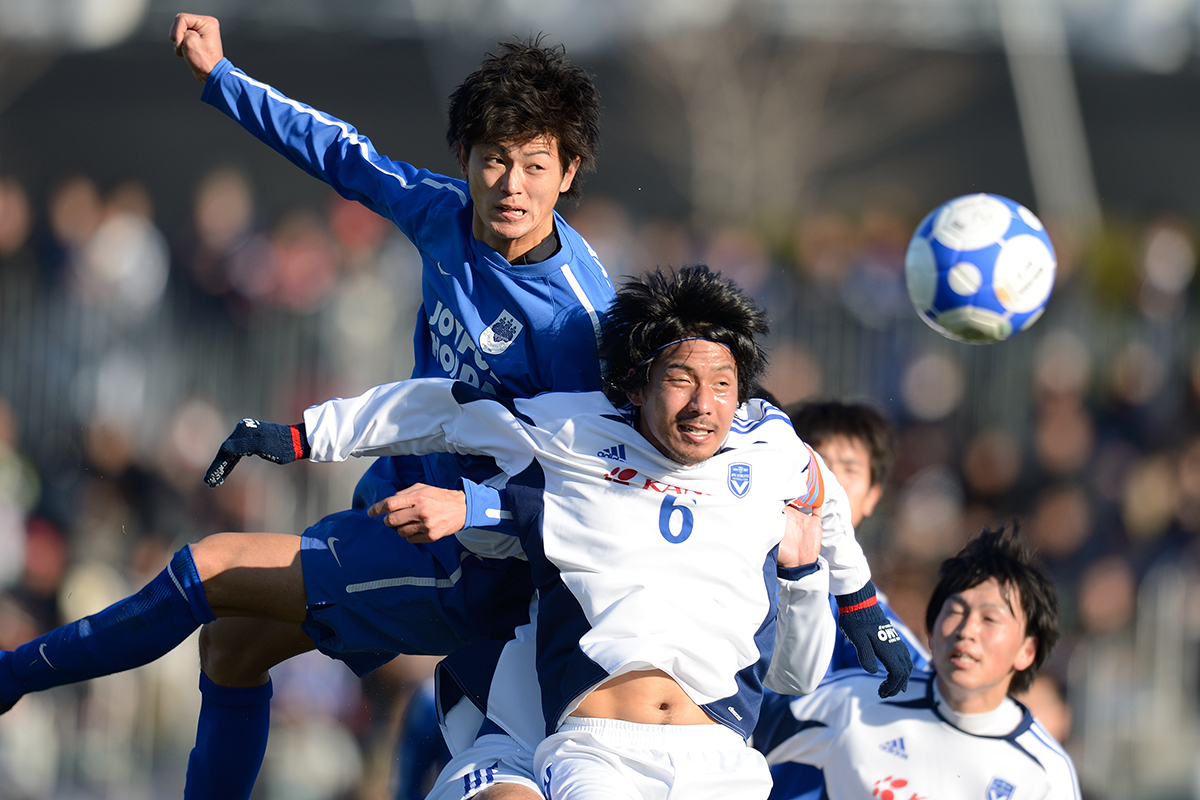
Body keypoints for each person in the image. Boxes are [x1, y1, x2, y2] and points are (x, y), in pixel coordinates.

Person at [0, 14, 612, 800]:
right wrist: (221, 77)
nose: (511, 184)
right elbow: (341, 152)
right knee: (232, 647)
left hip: (469, 562)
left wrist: (478, 511)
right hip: (397, 504)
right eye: (495, 160)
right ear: (466, 158)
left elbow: (591, 480)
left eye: (535, 164)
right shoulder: (444, 216)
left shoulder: (575, 324)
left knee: (211, 566)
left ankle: (12, 674)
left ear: (568, 173)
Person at [203, 265, 912, 799]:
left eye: (723, 384)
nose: (704, 404)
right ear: (635, 385)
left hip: (721, 760)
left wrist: (861, 607)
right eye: (680, 379)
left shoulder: (773, 450)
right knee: (231, 631)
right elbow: (438, 410)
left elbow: (826, 505)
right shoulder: (570, 432)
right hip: (598, 753)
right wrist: (299, 437)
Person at [753, 526, 1081, 800]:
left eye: (990, 618)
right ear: (932, 632)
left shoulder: (1045, 776)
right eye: (955, 612)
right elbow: (740, 737)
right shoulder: (854, 704)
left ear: (1027, 650)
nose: (967, 630)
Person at [784, 400, 931, 672]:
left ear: (872, 497)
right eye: (821, 463)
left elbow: (918, 687)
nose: (832, 480)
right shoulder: (742, 563)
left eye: (850, 469)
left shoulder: (866, 614)